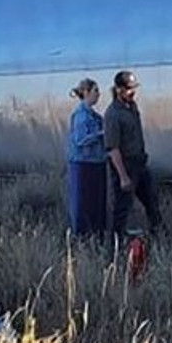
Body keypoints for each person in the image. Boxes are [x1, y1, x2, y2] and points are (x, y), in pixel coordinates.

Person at [103, 71, 163, 237]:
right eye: (129, 88)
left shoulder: (132, 107)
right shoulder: (113, 115)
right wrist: (123, 176)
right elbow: (113, 149)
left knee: (152, 201)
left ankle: (159, 235)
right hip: (125, 165)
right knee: (122, 209)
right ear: (119, 90)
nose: (133, 91)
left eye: (134, 87)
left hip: (140, 164)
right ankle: (115, 245)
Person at [66, 78, 107, 238]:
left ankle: (95, 234)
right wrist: (101, 134)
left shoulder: (95, 116)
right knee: (84, 203)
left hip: (96, 163)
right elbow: (80, 139)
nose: (98, 95)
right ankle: (82, 235)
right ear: (86, 93)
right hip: (83, 164)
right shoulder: (81, 116)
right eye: (95, 91)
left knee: (96, 204)